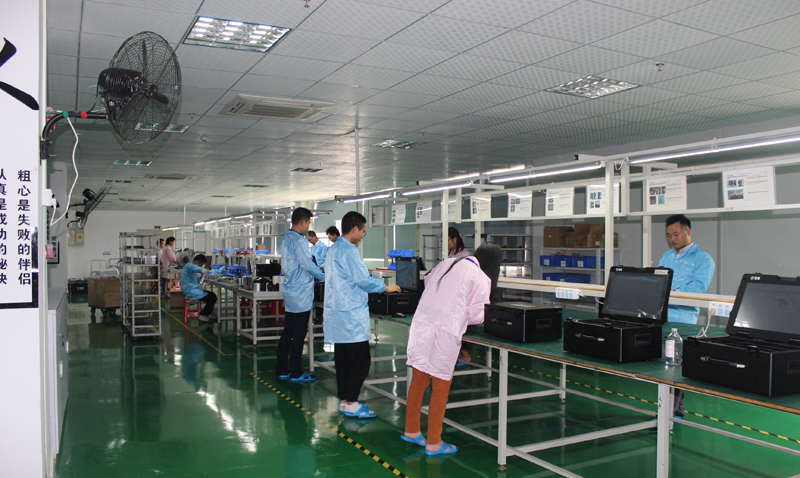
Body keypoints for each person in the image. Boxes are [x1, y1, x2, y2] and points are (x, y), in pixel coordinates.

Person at [403, 243, 502, 455]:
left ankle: (411, 430)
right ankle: (434, 442)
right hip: (444, 332)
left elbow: (428, 282)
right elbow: (477, 315)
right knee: (440, 387)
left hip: (422, 325)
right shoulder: (480, 277)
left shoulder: (446, 263)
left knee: (418, 381)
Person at [324, 211, 401, 418]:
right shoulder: (348, 251)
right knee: (360, 361)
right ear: (355, 229)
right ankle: (351, 401)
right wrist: (385, 287)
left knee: (343, 361)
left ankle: (344, 400)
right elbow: (362, 279)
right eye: (363, 232)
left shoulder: (334, 249)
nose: (362, 236)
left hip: (338, 314)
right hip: (350, 315)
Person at [657, 214, 715, 418]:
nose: (672, 239)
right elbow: (658, 281)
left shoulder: (703, 259)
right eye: (669, 235)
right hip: (663, 317)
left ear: (687, 231)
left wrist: (671, 292)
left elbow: (698, 288)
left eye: (676, 234)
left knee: (676, 366)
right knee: (662, 367)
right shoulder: (667, 257)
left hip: (683, 320)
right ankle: (665, 410)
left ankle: (674, 412)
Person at [277, 208, 325, 382]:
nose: (308, 227)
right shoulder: (299, 241)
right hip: (301, 293)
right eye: (309, 223)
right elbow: (307, 264)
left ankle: (282, 369)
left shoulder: (285, 239)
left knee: (287, 331)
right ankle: (296, 372)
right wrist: (324, 276)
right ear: (303, 222)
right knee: (298, 334)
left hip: (290, 290)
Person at [180, 254, 217, 323]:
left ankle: (207, 314)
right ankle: (203, 315)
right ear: (197, 262)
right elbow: (198, 269)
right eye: (200, 265)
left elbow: (197, 280)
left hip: (193, 289)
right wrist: (205, 271)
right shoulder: (189, 266)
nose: (200, 267)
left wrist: (202, 276)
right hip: (190, 291)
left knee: (212, 295)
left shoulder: (192, 269)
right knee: (212, 297)